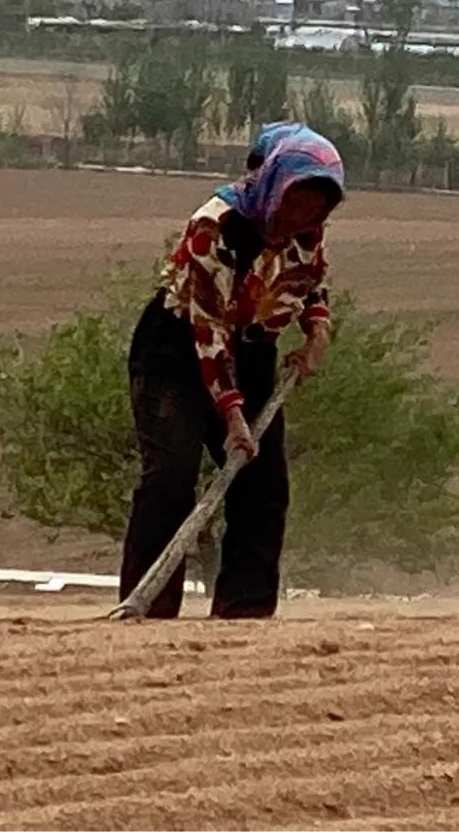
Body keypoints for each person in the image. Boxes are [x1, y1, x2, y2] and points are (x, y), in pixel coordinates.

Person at [120, 123, 345, 619]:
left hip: (254, 351)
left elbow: (309, 282)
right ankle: (149, 610)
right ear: (274, 185)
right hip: (177, 350)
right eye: (297, 199)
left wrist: (318, 329)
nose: (304, 214)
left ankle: (244, 612)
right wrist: (233, 415)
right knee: (171, 477)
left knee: (263, 484)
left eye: (317, 204)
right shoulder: (214, 226)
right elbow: (208, 328)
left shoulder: (307, 233)